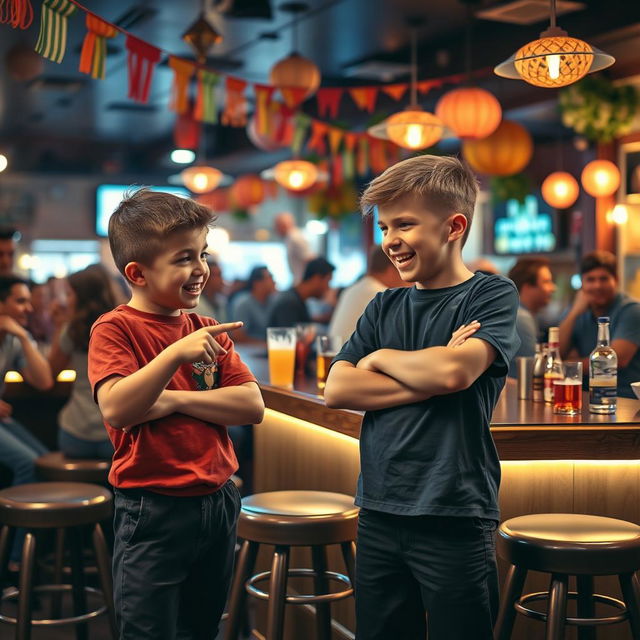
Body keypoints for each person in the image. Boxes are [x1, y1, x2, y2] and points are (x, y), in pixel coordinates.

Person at [324, 155, 520, 640]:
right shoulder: (384, 303)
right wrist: (428, 371)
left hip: (454, 511)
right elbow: (338, 389)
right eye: (385, 226)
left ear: (454, 226)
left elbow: (455, 372)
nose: (390, 239)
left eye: (405, 223)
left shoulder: (490, 295)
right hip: (378, 509)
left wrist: (379, 358)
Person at [87, 189, 264, 638]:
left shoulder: (207, 329)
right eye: (185, 258)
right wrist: (173, 356)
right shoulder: (115, 327)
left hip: (218, 499)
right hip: (152, 507)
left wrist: (173, 400)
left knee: (201, 626)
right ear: (137, 273)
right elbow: (118, 407)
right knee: (148, 630)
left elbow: (250, 405)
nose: (201, 269)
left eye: (202, 253)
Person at [0, 275, 53, 567]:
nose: (28, 308)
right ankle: (16, 560)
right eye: (20, 301)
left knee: (44, 460)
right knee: (28, 464)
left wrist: (21, 336)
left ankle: (31, 551)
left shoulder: (12, 338)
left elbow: (44, 381)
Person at [48, 265, 116, 459]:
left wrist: (59, 326)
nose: (66, 300)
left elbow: (50, 373)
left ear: (82, 297)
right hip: (115, 433)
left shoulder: (72, 330)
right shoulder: (123, 327)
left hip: (76, 434)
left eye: (69, 294)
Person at [559, 250, 640, 398]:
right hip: (585, 397)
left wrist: (566, 366)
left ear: (616, 280)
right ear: (582, 283)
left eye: (604, 279)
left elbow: (616, 360)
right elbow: (558, 352)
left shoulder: (632, 310)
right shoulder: (578, 310)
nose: (597, 286)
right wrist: (574, 313)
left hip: (624, 400)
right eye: (590, 279)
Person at [329, 245, 404, 340]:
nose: (412, 282)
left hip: (338, 353)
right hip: (355, 354)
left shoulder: (352, 289)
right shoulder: (381, 295)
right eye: (405, 269)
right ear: (392, 271)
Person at [506, 257, 556, 377]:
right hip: (516, 393)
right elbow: (535, 374)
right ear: (527, 287)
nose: (553, 288)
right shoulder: (522, 318)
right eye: (546, 282)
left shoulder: (515, 312)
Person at [267, 256, 335, 327]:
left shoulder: (297, 299)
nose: (328, 288)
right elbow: (287, 335)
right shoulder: (289, 302)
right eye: (328, 281)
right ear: (316, 279)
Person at [229, 266, 277, 345]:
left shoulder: (272, 301)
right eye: (270, 277)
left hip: (265, 351)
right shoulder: (243, 303)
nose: (274, 282)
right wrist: (266, 344)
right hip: (248, 352)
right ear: (257, 283)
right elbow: (238, 336)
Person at [273, 211, 316, 284]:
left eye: (277, 226)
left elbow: (309, 259)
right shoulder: (290, 238)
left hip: (302, 282)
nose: (275, 229)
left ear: (284, 225)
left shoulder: (295, 238)